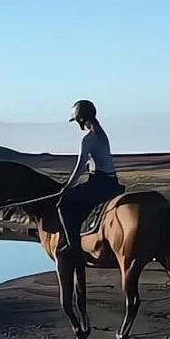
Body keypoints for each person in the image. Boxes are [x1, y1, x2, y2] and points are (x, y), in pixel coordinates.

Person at [56, 100, 124, 257]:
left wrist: (67, 187)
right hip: (112, 182)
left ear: (80, 119)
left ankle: (72, 245)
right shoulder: (101, 133)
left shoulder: (88, 139)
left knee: (64, 204)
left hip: (99, 183)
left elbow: (80, 167)